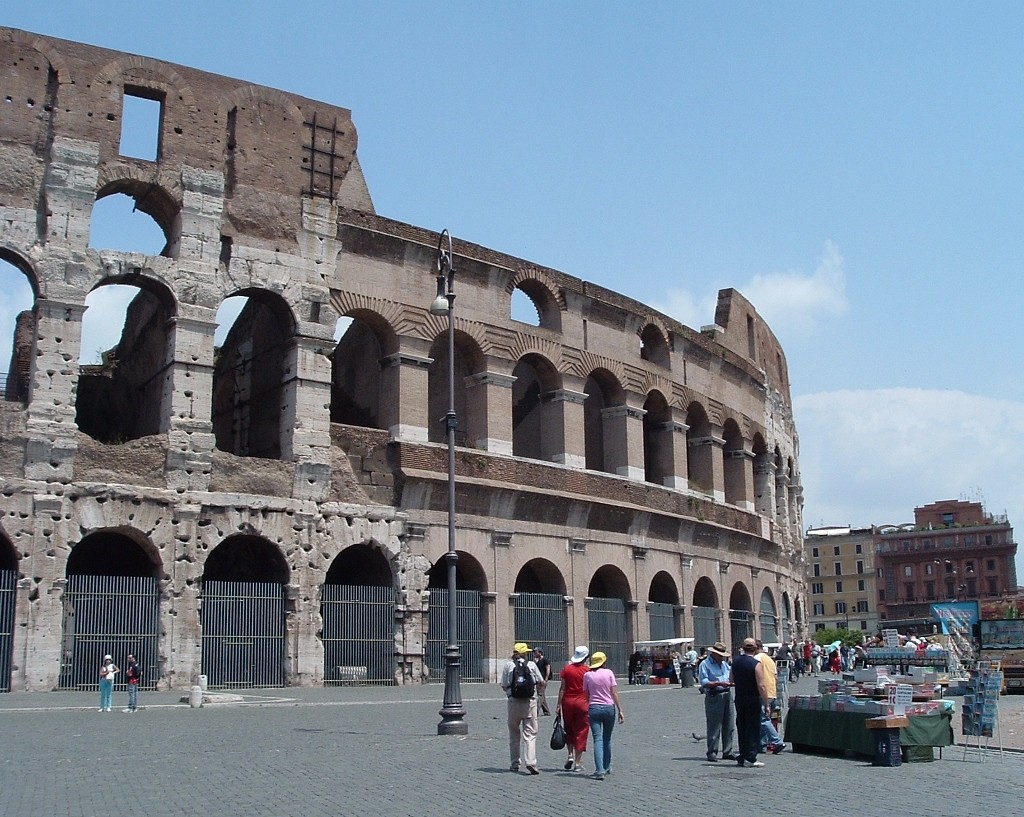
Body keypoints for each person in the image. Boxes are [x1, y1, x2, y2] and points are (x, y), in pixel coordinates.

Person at [500, 642, 544, 775]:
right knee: (530, 734)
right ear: (525, 653)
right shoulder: (531, 665)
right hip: (529, 703)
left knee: (514, 734)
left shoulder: (508, 666)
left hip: (513, 702)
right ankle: (531, 762)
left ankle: (514, 763)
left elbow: (504, 685)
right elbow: (540, 681)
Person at [582, 651, 624, 780]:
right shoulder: (609, 673)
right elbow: (614, 693)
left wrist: (590, 704)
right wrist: (620, 710)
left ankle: (599, 770)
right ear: (604, 662)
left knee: (597, 739)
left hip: (594, 708)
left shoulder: (587, 675)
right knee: (607, 739)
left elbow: (586, 694)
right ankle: (607, 766)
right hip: (609, 708)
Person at [730, 638, 770, 767]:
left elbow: (731, 680)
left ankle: (742, 756)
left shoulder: (735, 662)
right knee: (753, 728)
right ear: (755, 648)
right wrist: (766, 703)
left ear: (743, 647)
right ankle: (751, 757)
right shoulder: (756, 664)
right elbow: (761, 685)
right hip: (752, 698)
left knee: (741, 726)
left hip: (740, 697)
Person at [697, 641, 735, 762]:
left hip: (727, 694)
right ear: (714, 654)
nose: (722, 657)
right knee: (714, 725)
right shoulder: (705, 664)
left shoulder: (724, 664)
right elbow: (704, 682)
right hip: (714, 695)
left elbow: (730, 676)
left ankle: (727, 751)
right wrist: (719, 683)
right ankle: (712, 752)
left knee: (729, 724)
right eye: (720, 655)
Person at [556, 645, 591, 771]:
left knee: (569, 729)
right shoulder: (587, 671)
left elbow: (562, 688)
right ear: (586, 657)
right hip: (582, 703)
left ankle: (570, 755)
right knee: (581, 731)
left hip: (568, 702)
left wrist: (559, 704)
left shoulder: (567, 669)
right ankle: (577, 762)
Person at [754, 640, 785, 754]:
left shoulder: (757, 658)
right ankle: (761, 745)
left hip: (763, 692)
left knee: (763, 720)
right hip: (772, 692)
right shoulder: (770, 660)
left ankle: (777, 741)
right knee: (763, 719)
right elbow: (776, 677)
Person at [533, 648, 552, 716]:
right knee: (542, 695)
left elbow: (548, 669)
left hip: (543, 680)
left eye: (536, 652)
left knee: (540, 695)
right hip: (538, 680)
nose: (534, 654)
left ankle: (536, 711)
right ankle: (546, 711)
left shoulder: (545, 660)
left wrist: (546, 679)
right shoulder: (537, 661)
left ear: (540, 653)